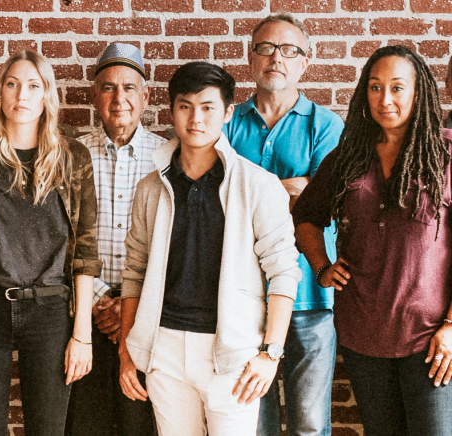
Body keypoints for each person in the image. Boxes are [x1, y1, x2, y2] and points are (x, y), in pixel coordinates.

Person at [117, 61, 301, 436]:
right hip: (164, 348)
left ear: (228, 112)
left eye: (207, 107)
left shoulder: (259, 185)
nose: (195, 118)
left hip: (231, 352)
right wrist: (126, 351)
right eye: (185, 106)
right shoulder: (151, 188)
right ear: (172, 111)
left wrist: (270, 353)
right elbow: (134, 273)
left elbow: (283, 272)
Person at [293, 45, 452, 436]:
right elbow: (306, 216)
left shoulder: (446, 153)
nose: (385, 99)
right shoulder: (348, 155)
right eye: (375, 87)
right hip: (362, 333)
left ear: (418, 91)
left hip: (431, 337)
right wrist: (322, 267)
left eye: (397, 87)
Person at [0, 50, 97, 436]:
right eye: (12, 84)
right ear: (0, 92)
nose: (21, 95)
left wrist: (82, 335)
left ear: (47, 95)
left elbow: (85, 251)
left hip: (51, 313)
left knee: (48, 430)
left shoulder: (73, 158)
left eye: (32, 86)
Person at [222, 14, 345, 436]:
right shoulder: (227, 122)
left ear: (305, 62)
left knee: (309, 424)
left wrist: (252, 188)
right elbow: (220, 199)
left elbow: (324, 203)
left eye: (289, 50)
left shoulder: (327, 126)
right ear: (250, 57)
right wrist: (292, 186)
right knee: (254, 423)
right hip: (245, 298)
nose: (277, 58)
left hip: (310, 296)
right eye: (266, 48)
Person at [66, 42, 161, 436]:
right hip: (85, 316)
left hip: (150, 319)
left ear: (146, 96)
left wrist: (131, 307)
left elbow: (174, 245)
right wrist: (100, 301)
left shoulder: (167, 157)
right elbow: (62, 237)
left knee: (143, 426)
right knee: (85, 426)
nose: (119, 98)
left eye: (129, 87)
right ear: (94, 97)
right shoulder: (71, 154)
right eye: (108, 88)